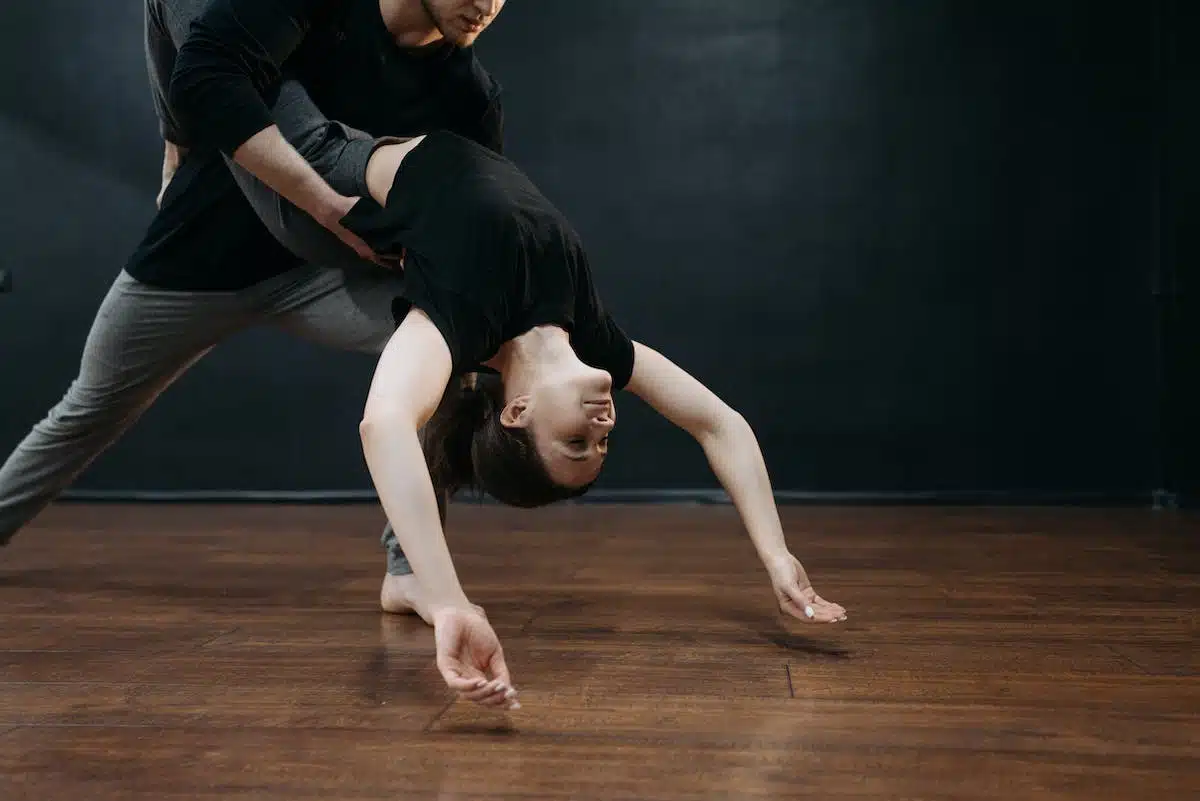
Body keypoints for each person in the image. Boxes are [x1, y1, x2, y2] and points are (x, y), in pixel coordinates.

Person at [0, 0, 508, 552]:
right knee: (83, 412)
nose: (486, 6)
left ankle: (411, 567)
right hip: (195, 263)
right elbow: (198, 52)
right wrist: (175, 136)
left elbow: (465, 224)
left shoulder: (471, 97)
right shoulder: (316, 13)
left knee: (460, 343)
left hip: (327, 277)